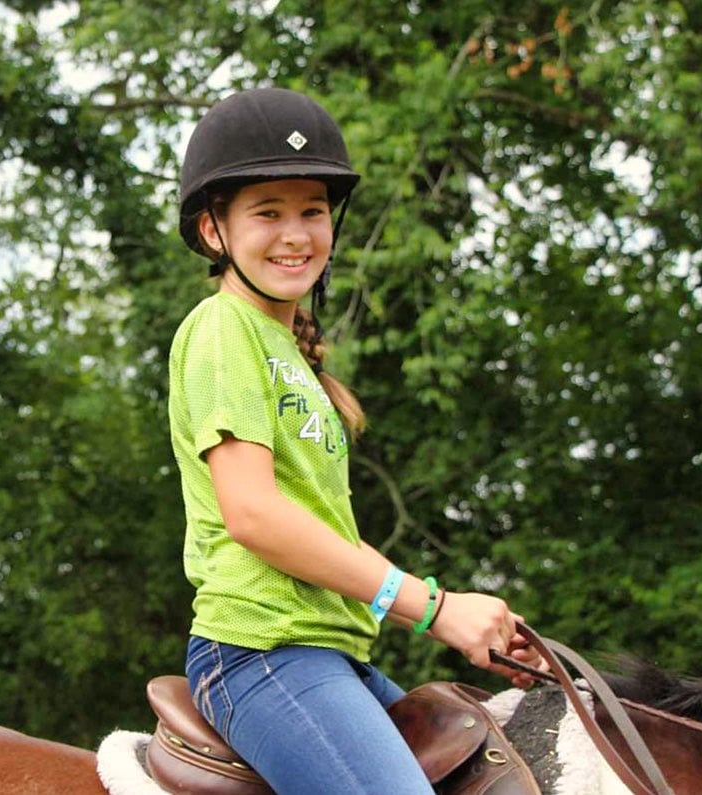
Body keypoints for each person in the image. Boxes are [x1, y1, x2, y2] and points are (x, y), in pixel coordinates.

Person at [167, 87, 546, 794]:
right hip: (264, 651)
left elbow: (326, 537)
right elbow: (252, 515)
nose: (296, 233)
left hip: (333, 651)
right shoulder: (222, 329)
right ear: (214, 230)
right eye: (267, 211)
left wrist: (451, 615)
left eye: (312, 210)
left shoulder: (289, 352)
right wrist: (435, 607)